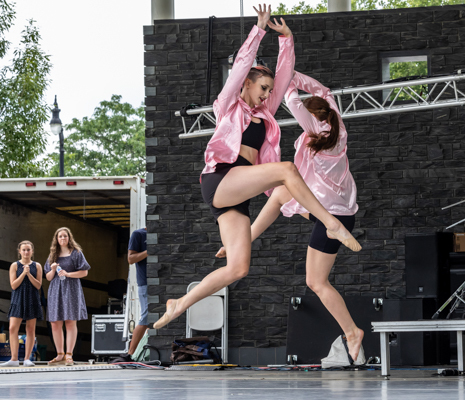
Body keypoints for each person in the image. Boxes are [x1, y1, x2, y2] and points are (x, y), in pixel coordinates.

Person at [154, 4, 361, 330]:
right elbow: (239, 66)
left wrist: (287, 40)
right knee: (286, 171)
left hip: (239, 193)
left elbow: (283, 78)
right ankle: (331, 223)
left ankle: (179, 303)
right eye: (261, 88)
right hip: (222, 178)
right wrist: (259, 30)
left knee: (238, 269)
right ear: (247, 84)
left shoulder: (265, 112)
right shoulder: (227, 105)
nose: (267, 94)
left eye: (268, 90)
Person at [217, 71, 364, 363]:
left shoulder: (315, 130)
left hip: (331, 217)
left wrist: (285, 74)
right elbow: (323, 88)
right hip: (334, 210)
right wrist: (293, 75)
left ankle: (352, 333)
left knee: (317, 282)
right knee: (281, 195)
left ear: (312, 117)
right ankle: (243, 239)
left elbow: (290, 97)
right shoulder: (336, 124)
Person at [44, 227, 91, 366]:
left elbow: (84, 272)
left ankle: (69, 354)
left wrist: (68, 274)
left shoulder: (76, 253)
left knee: (70, 321)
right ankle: (60, 354)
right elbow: (48, 277)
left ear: (69, 237)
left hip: (71, 289)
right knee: (55, 322)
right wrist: (53, 269)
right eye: (60, 236)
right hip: (56, 290)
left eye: (65, 236)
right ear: (56, 239)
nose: (63, 238)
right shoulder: (53, 254)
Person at [0, 241, 43, 367]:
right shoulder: (14, 265)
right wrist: (23, 273)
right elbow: (13, 285)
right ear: (19, 251)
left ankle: (27, 359)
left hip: (32, 298)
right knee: (12, 328)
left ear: (32, 251)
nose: (26, 252)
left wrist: (29, 273)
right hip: (18, 298)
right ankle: (14, 359)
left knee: (30, 329)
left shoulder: (37, 266)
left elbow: (38, 285)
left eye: (28, 250)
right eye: (23, 250)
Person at [112, 227, 148, 363]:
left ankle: (143, 352)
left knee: (156, 319)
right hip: (145, 282)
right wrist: (148, 252)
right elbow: (131, 258)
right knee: (146, 317)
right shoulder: (138, 234)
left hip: (162, 283)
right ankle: (130, 353)